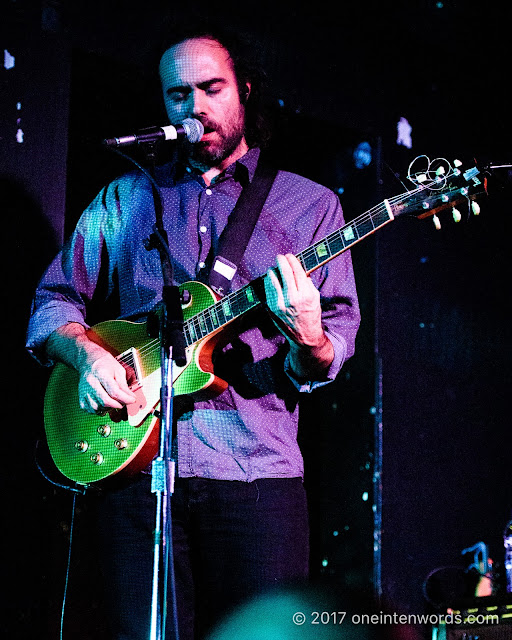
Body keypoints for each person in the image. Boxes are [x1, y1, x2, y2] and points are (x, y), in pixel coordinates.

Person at [27, 23, 360, 640]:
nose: (196, 107)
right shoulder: (126, 199)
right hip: (134, 469)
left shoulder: (309, 207)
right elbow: (53, 301)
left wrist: (309, 338)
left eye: (212, 89)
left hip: (257, 475)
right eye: (179, 94)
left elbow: (328, 356)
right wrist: (86, 358)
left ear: (244, 93)